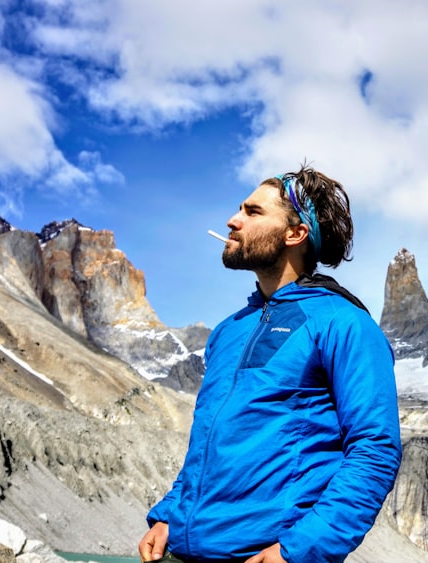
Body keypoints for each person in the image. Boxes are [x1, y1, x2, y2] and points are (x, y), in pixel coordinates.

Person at [138, 165, 402, 563]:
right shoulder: (228, 331)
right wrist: (169, 516)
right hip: (180, 552)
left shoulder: (344, 323)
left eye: (253, 212)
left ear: (294, 234)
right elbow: (209, 448)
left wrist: (297, 552)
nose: (233, 220)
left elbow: (375, 449)